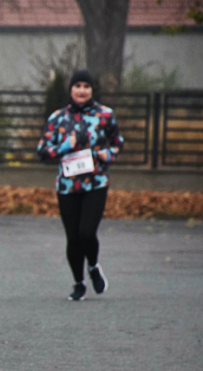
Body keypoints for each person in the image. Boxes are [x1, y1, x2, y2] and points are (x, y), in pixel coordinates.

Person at [37, 69, 124, 301]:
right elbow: (42, 151)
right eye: (78, 86)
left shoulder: (105, 115)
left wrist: (108, 154)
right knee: (73, 237)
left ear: (92, 90)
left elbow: (118, 142)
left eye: (86, 86)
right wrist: (65, 145)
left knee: (87, 232)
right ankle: (78, 283)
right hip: (67, 186)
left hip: (96, 182)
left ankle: (94, 266)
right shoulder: (58, 117)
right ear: (71, 89)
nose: (82, 90)